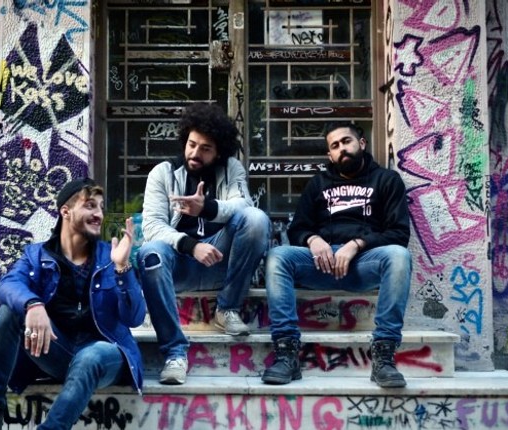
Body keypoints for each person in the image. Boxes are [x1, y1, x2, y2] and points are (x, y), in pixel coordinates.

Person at [0, 178, 146, 430]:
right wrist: (33, 305)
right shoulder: (36, 255)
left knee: (90, 356)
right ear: (65, 211)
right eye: (89, 205)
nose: (98, 213)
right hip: (58, 351)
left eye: (100, 207)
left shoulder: (111, 258)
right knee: (11, 311)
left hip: (105, 356)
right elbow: (7, 286)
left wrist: (122, 268)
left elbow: (134, 318)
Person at [262, 122, 412, 388]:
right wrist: (313, 238)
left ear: (361, 144)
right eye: (335, 146)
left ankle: (384, 356)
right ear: (329, 155)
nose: (342, 149)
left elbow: (398, 233)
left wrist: (357, 244)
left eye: (347, 141)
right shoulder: (318, 184)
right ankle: (286, 354)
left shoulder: (387, 181)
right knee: (278, 257)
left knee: (399, 256)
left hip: (363, 264)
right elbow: (298, 228)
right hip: (321, 264)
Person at [138, 102, 271, 385]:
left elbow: (242, 204)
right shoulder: (162, 173)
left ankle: (228, 309)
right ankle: (175, 352)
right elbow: (151, 227)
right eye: (191, 144)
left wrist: (206, 209)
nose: (195, 153)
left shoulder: (232, 168)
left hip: (220, 263)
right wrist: (189, 245)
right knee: (150, 252)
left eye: (205, 148)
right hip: (179, 267)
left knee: (256, 219)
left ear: (219, 151)